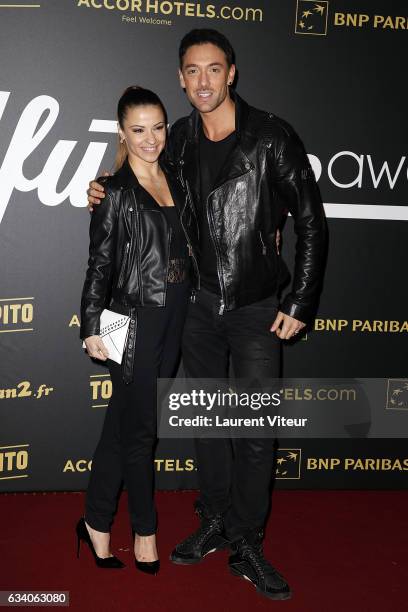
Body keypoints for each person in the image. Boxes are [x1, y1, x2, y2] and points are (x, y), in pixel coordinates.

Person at [87, 29, 327, 600]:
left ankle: (246, 542)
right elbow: (138, 178)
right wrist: (101, 187)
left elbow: (313, 222)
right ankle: (215, 519)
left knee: (255, 429)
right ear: (180, 77)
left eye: (213, 69)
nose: (202, 82)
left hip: (254, 308)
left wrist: (300, 300)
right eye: (192, 71)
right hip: (194, 306)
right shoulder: (180, 140)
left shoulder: (270, 136)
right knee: (209, 422)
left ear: (232, 73)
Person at [78, 86, 198, 574]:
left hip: (176, 316)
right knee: (142, 431)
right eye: (139, 130)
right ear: (122, 133)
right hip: (132, 321)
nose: (151, 139)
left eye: (158, 127)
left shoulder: (180, 178)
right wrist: (90, 324)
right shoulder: (115, 191)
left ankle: (94, 520)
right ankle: (144, 529)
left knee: (121, 426)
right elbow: (98, 266)